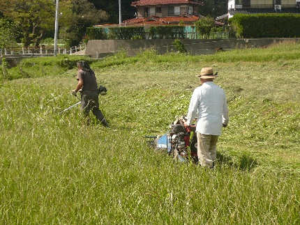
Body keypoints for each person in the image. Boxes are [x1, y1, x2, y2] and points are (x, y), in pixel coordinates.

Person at [185, 67, 228, 168]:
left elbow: (192, 110)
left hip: (204, 126)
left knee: (203, 154)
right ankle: (213, 169)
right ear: (213, 78)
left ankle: (207, 173)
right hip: (216, 126)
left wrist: (188, 122)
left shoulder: (199, 91)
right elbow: (225, 109)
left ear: (201, 79)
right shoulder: (220, 91)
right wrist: (225, 121)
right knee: (212, 150)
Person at [72, 61, 109, 127]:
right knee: (96, 110)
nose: (78, 68)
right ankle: (105, 124)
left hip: (86, 95)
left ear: (81, 66)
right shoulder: (91, 72)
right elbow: (90, 83)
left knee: (84, 111)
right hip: (95, 93)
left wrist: (75, 91)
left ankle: (87, 127)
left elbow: (80, 83)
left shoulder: (81, 72)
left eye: (78, 66)